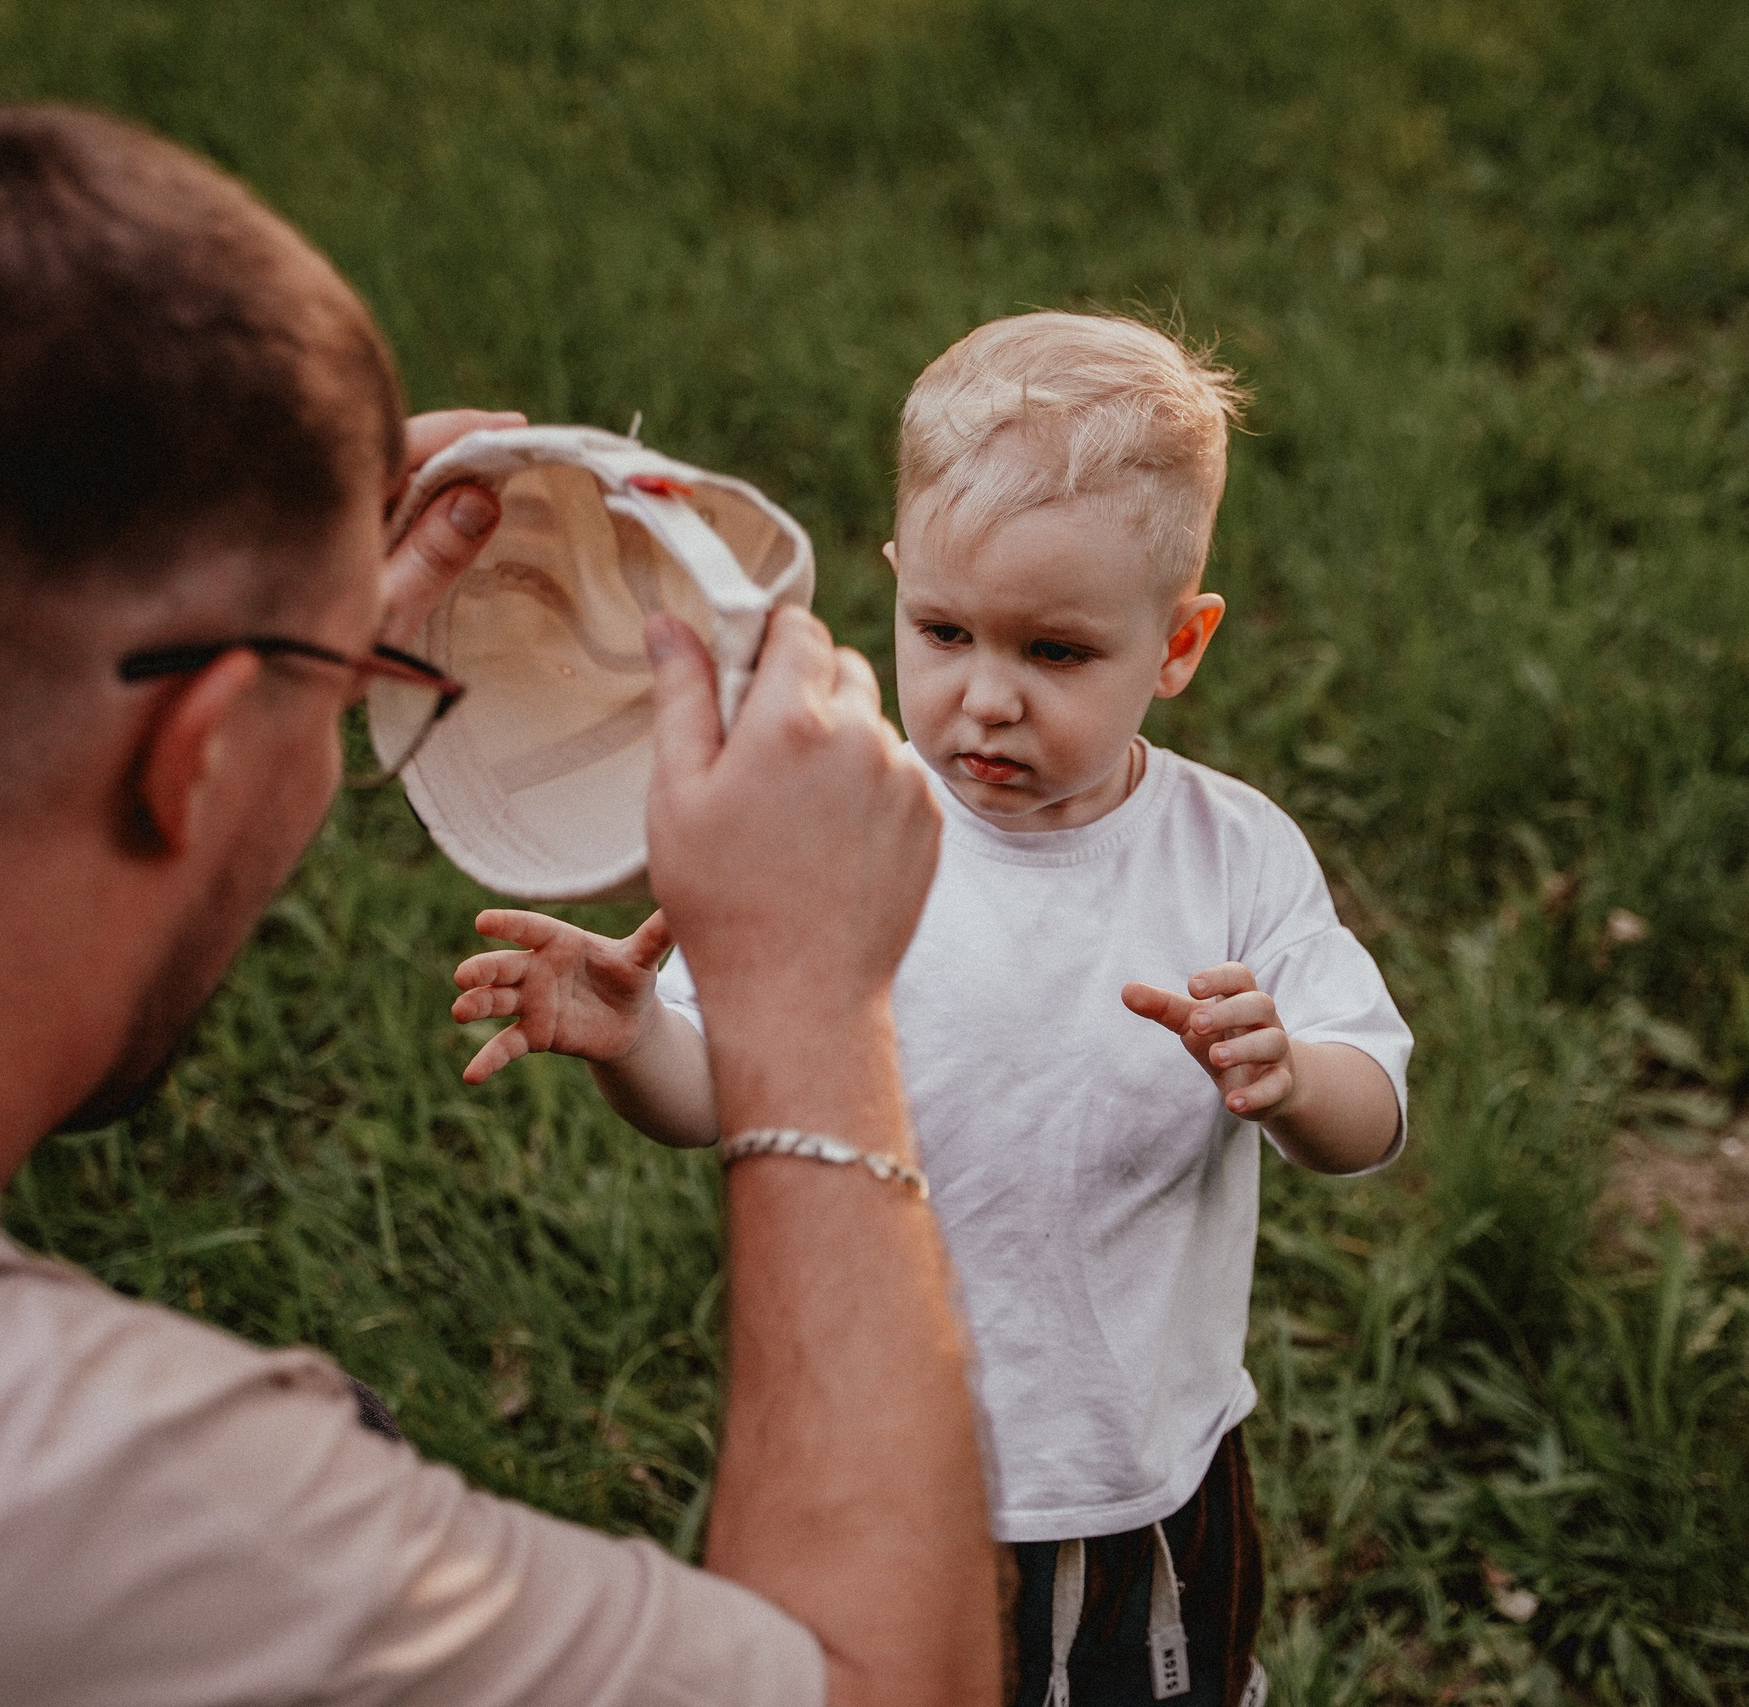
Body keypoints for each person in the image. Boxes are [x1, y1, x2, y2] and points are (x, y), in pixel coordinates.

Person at [0, 104, 998, 1706]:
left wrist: (284, 638)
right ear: (188, 756)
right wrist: (815, 1005)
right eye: (334, 691)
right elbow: (882, 1685)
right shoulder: (75, 1499)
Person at [450, 311, 1415, 1705]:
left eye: (1057, 654)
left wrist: (1293, 1073)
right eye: (945, 632)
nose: (985, 700)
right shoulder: (847, 824)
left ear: (1179, 644)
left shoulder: (1229, 855)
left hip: (1116, 1482)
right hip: (871, 1464)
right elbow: (740, 1092)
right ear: (894, 588)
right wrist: (638, 1037)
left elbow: (1372, 1106)